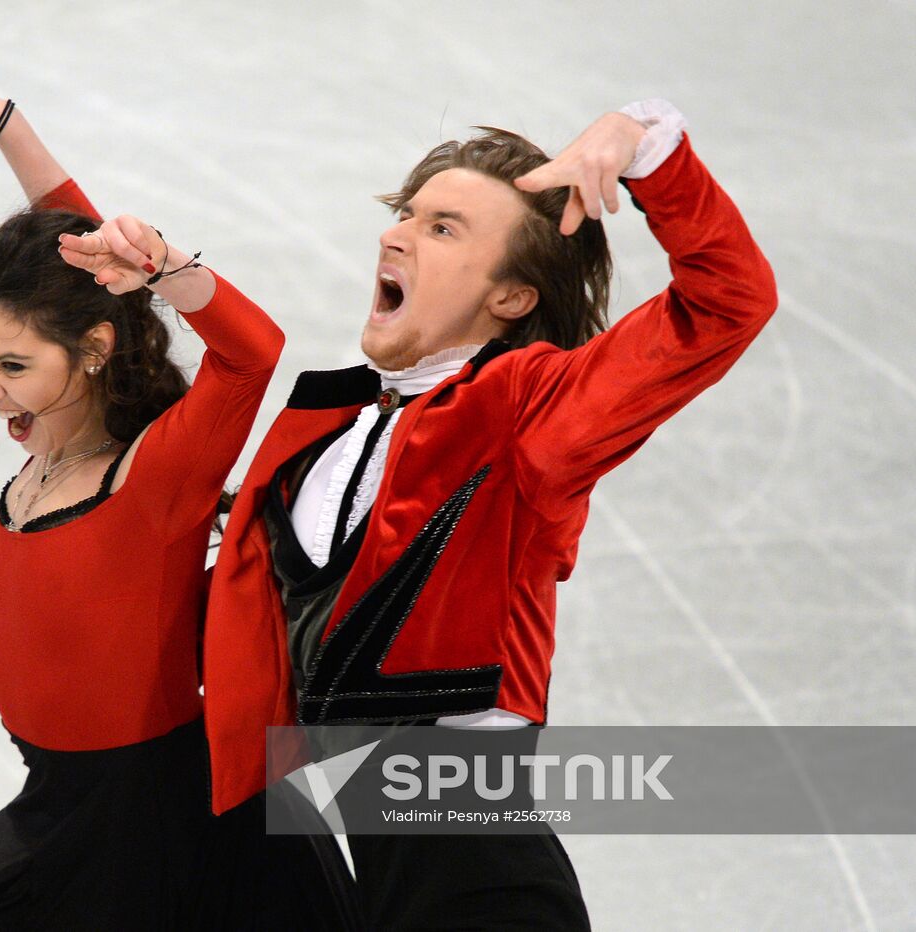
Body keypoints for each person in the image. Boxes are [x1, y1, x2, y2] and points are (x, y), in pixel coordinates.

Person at [200, 99, 778, 930]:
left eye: (443, 229)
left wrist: (647, 147)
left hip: (479, 875)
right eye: (406, 214)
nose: (395, 235)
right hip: (349, 869)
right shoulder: (328, 435)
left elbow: (726, 305)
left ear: (512, 296)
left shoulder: (529, 410)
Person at [0, 69, 360, 931]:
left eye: (12, 367)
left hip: (153, 824)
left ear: (92, 351)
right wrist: (8, 127)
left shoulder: (152, 478)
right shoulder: (55, 444)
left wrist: (167, 266)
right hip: (63, 801)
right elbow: (81, 259)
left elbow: (253, 353)